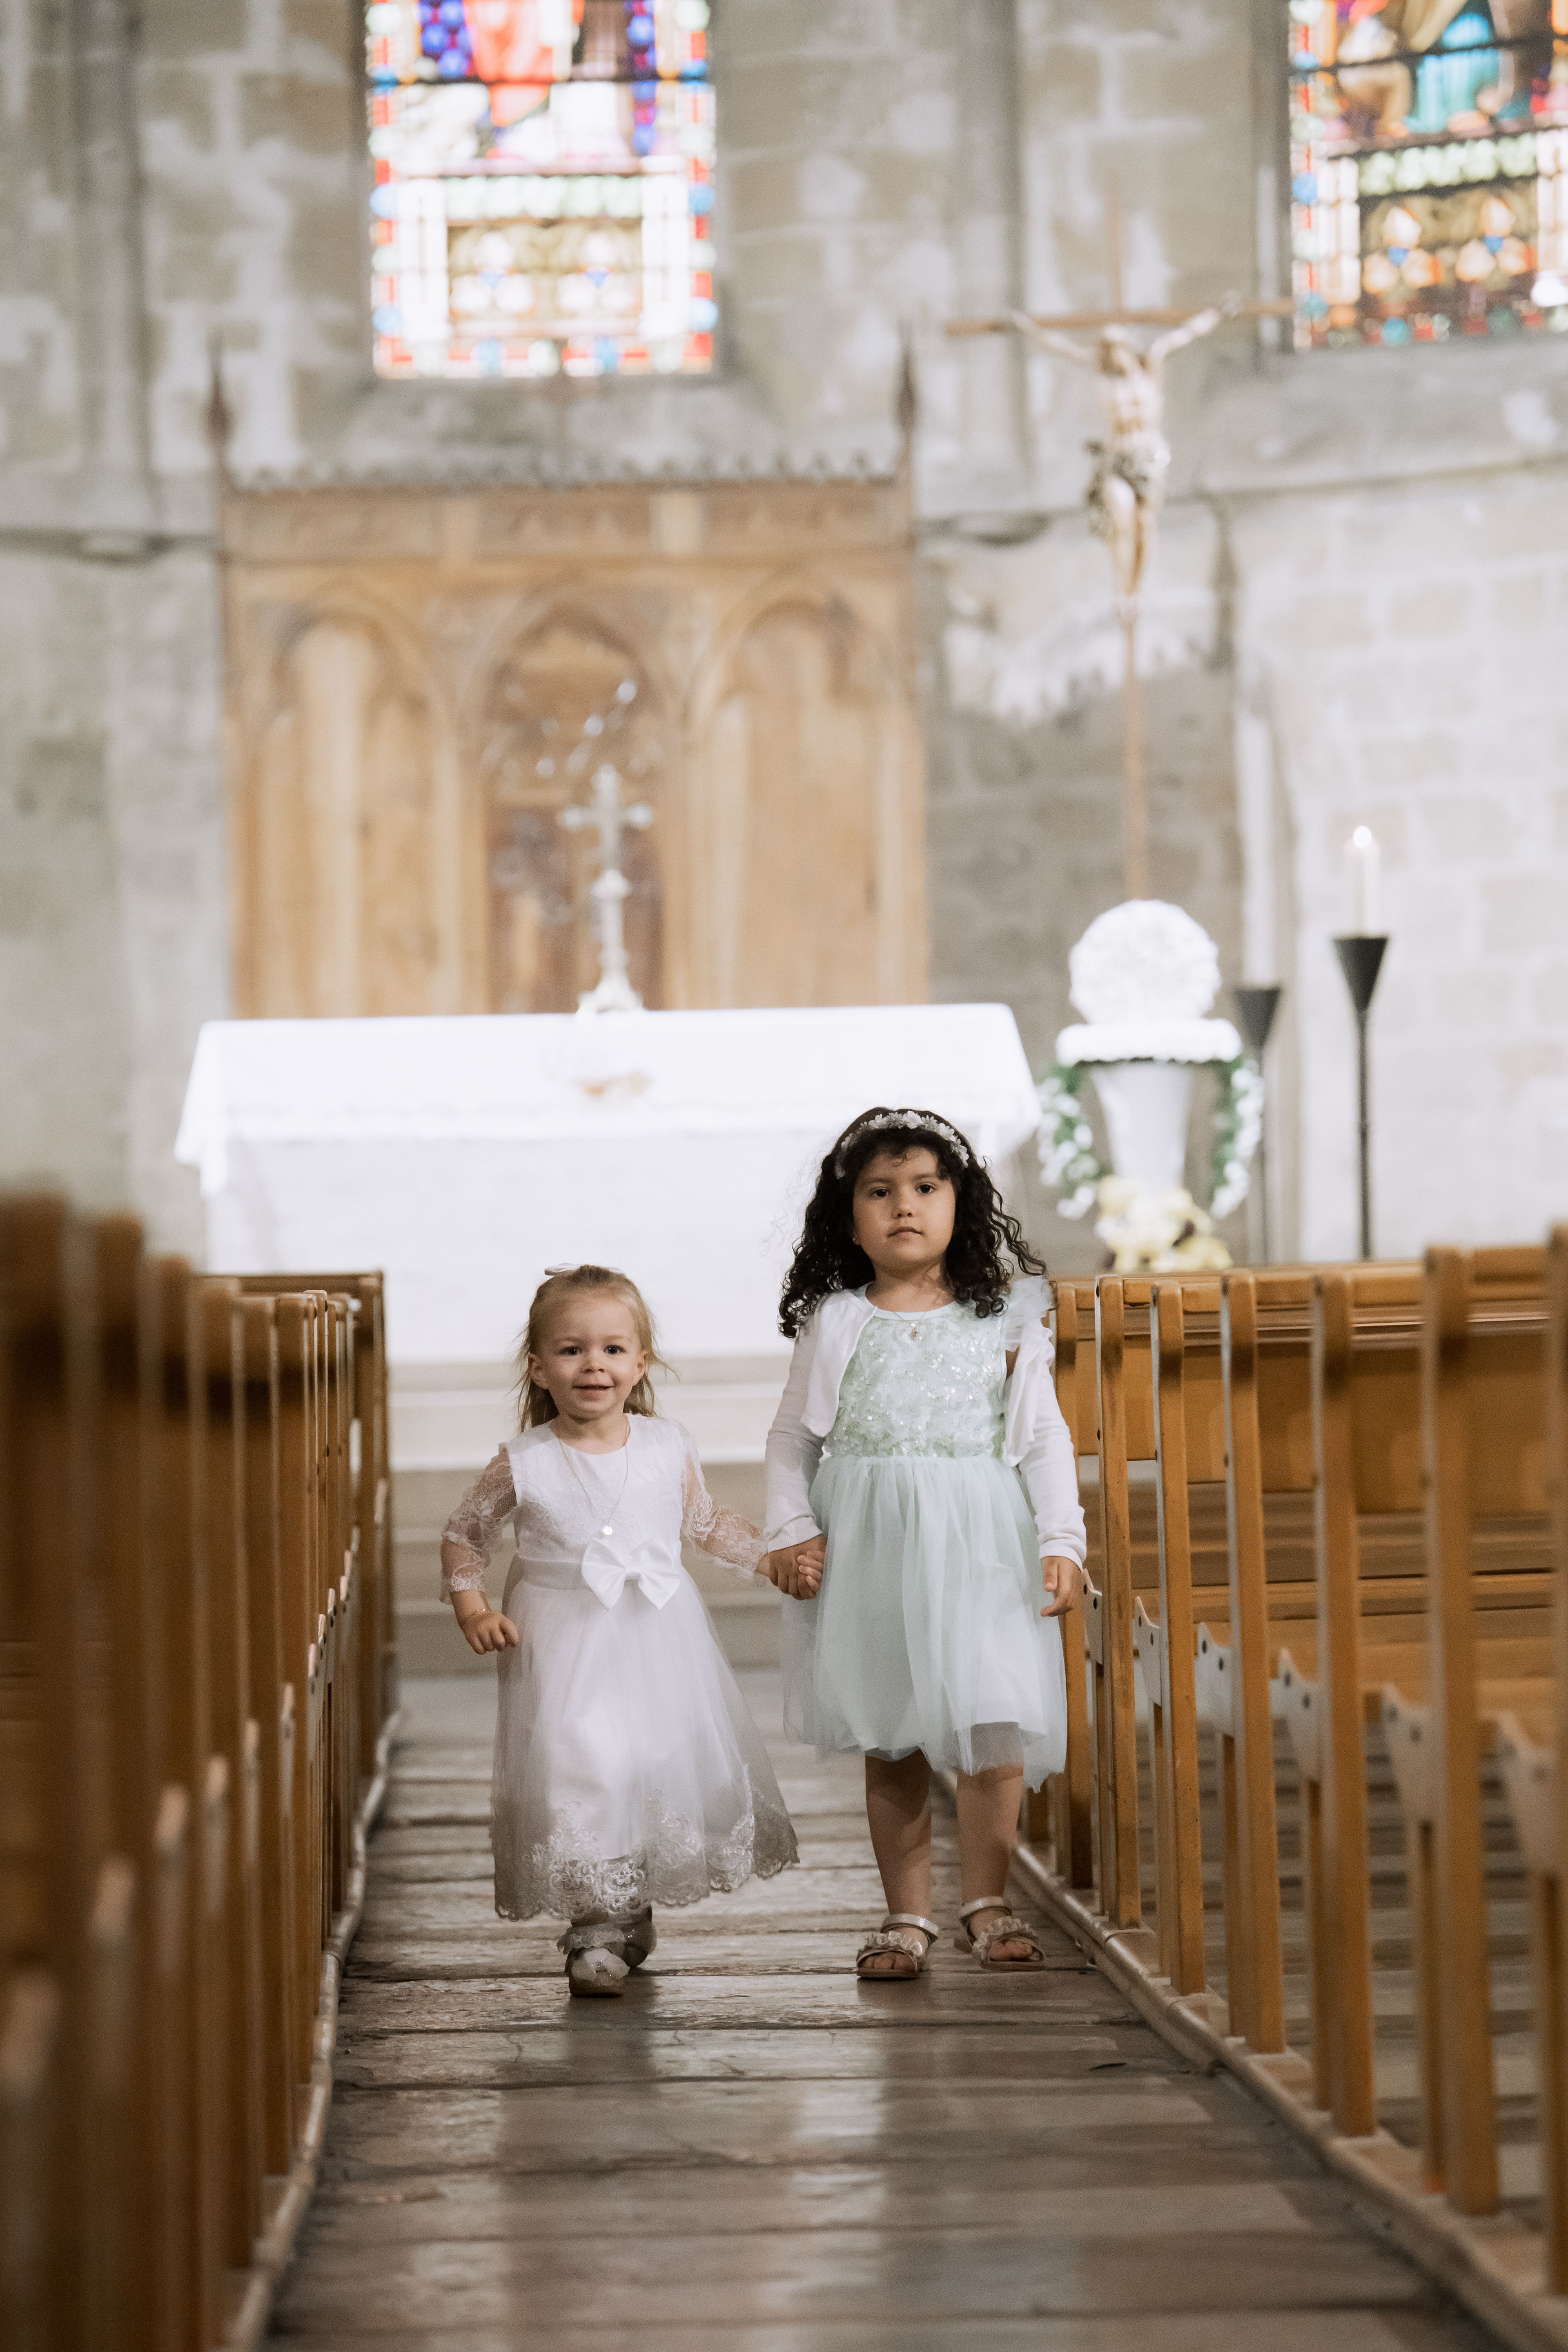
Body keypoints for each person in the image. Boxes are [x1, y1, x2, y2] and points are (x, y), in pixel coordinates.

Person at [762, 1108, 1086, 1979]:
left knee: (990, 1724)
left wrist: (1063, 1537)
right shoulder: (835, 1319)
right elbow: (793, 1438)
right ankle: (907, 1913)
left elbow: (1044, 1438)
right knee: (892, 1729)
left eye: (924, 1187)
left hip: (980, 1539)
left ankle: (988, 1898)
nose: (904, 1206)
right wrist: (792, 1529)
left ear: (961, 1202)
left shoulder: (1006, 1314)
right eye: (879, 1191)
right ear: (848, 1214)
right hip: (872, 1544)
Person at [440, 1263, 798, 1998]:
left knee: (648, 1762)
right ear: (538, 1369)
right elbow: (464, 1532)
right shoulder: (526, 1460)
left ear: (641, 1363)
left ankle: (629, 1903)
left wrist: (768, 1558)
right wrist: (474, 1606)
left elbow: (704, 1522)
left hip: (656, 1633)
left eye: (611, 1350)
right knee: (581, 1764)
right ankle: (593, 1927)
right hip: (564, 1634)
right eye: (571, 1351)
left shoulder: (668, 1444)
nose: (592, 1365)